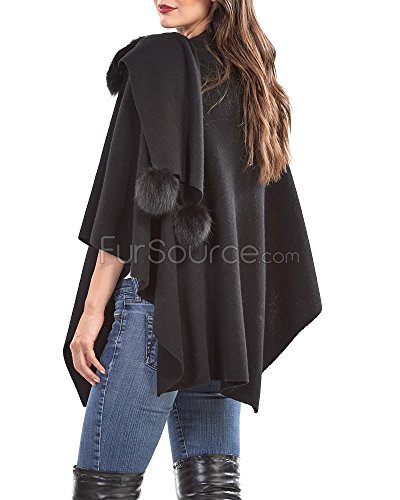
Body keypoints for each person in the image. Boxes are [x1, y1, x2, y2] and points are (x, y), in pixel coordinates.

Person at [63, 1, 322, 498]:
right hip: (225, 320)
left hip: (157, 311)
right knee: (213, 491)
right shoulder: (254, 81)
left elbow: (122, 203)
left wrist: (93, 312)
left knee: (105, 488)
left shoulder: (157, 62)